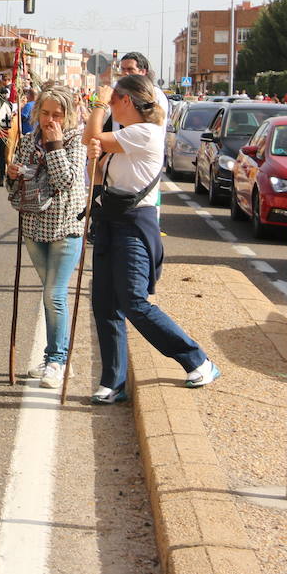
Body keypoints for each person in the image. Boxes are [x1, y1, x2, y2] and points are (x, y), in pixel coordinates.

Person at [85, 75, 220, 404]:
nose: (111, 105)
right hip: (111, 221)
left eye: (114, 100)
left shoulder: (145, 132)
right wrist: (93, 158)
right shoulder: (124, 137)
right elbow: (99, 175)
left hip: (134, 224)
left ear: (127, 102)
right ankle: (113, 382)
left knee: (134, 301)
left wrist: (98, 105)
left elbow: (92, 134)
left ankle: (197, 359)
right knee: (104, 304)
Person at [6, 84, 87, 388]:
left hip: (66, 227)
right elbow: (16, 187)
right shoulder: (27, 141)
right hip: (33, 228)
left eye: (57, 114)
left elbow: (66, 180)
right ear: (37, 111)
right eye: (45, 112)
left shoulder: (76, 142)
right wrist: (11, 174)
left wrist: (54, 147)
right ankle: (53, 357)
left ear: (67, 116)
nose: (50, 119)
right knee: (50, 295)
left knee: (54, 295)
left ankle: (58, 360)